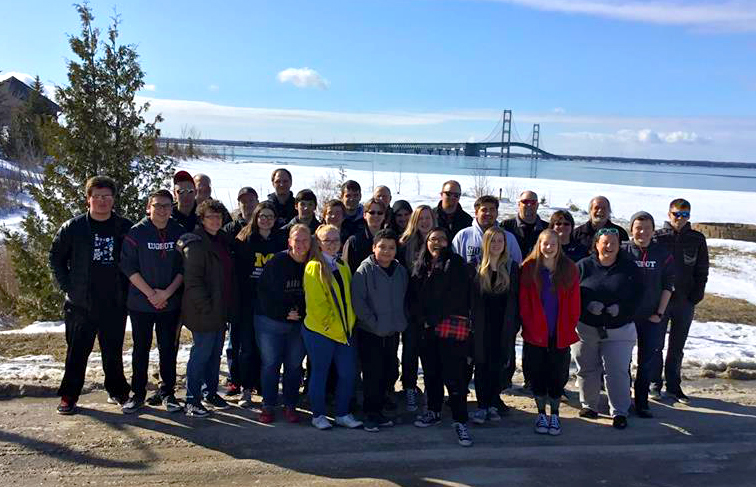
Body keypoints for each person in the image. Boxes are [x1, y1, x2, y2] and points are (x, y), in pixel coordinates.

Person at [50, 176, 133, 415]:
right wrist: (67, 286)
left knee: (113, 351)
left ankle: (117, 390)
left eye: (107, 196)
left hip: (114, 302)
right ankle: (69, 395)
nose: (102, 201)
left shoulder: (124, 227)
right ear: (88, 199)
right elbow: (55, 258)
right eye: (97, 196)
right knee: (76, 352)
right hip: (80, 304)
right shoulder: (73, 227)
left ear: (113, 199)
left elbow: (133, 261)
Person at [119, 189, 185, 414]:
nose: (162, 210)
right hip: (141, 303)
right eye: (158, 205)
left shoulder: (179, 231)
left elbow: (184, 268)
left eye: (167, 206)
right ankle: (137, 394)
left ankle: (168, 393)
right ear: (149, 207)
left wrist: (166, 294)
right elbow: (128, 267)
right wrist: (151, 294)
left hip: (169, 302)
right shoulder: (136, 233)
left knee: (168, 349)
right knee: (141, 349)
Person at [409, 228, 474, 447]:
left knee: (453, 376)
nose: (437, 243)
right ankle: (434, 410)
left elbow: (456, 297)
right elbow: (414, 296)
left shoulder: (455, 265)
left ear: (448, 242)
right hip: (426, 330)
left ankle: (459, 419)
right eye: (432, 239)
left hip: (448, 329)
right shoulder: (420, 265)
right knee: (431, 374)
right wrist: (421, 319)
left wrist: (433, 319)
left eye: (442, 239)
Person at [573, 228, 642, 429]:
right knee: (587, 368)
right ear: (596, 244)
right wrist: (586, 305)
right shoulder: (583, 267)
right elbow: (570, 295)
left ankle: (620, 411)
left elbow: (639, 297)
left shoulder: (629, 269)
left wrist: (621, 309)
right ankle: (589, 406)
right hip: (586, 328)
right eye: (605, 242)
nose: (609, 246)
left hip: (619, 329)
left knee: (617, 371)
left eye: (614, 242)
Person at [177, 199, 237, 417]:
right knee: (201, 353)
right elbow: (193, 281)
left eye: (219, 217)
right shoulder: (195, 243)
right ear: (201, 219)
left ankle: (209, 392)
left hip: (220, 308)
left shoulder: (221, 240)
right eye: (210, 216)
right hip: (202, 309)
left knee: (214, 353)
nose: (215, 220)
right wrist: (206, 306)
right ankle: (192, 399)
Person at [519, 230, 581, 435]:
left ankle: (554, 414)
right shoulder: (528, 268)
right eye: (545, 243)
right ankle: (540, 413)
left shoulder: (569, 268)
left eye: (553, 243)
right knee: (537, 373)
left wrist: (569, 325)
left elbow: (574, 303)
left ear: (558, 245)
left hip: (559, 332)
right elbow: (523, 302)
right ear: (539, 244)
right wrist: (529, 325)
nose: (549, 247)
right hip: (535, 333)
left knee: (557, 374)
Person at [302, 224, 363, 430]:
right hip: (322, 332)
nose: (333, 244)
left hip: (345, 331)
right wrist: (335, 328)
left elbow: (348, 298)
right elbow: (318, 306)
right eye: (327, 240)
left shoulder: (342, 265)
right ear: (318, 244)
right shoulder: (314, 267)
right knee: (320, 373)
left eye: (336, 240)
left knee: (347, 373)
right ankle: (318, 415)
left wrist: (350, 324)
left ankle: (342, 413)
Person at [352, 229, 409, 432]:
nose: (386, 251)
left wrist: (400, 321)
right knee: (372, 373)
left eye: (391, 248)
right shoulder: (364, 271)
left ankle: (381, 408)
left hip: (392, 331)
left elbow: (404, 299)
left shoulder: (400, 271)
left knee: (389, 369)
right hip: (371, 332)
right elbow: (358, 303)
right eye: (382, 247)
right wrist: (374, 324)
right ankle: (370, 413)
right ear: (373, 248)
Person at [653, 198, 709, 403]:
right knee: (655, 344)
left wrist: (697, 294)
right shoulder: (658, 237)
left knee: (677, 346)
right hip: (662, 300)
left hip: (685, 300)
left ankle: (674, 386)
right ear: (669, 215)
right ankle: (654, 384)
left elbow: (702, 269)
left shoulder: (696, 239)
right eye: (677, 214)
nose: (680, 218)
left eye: (685, 215)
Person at [231, 202, 287, 407]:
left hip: (272, 303)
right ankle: (246, 388)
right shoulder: (244, 239)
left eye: (270, 216)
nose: (266, 220)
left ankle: (265, 388)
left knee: (269, 349)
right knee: (247, 347)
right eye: (262, 216)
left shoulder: (281, 240)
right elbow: (236, 273)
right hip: (248, 302)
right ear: (255, 217)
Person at [254, 224, 310, 423]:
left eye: (305, 240)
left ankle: (290, 404)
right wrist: (285, 313)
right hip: (270, 322)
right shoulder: (277, 262)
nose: (301, 245)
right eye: (297, 240)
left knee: (294, 365)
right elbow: (264, 295)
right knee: (271, 364)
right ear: (289, 242)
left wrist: (300, 313)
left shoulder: (313, 263)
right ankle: (268, 405)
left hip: (299, 323)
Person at [622, 212, 675, 417]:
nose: (642, 232)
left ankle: (642, 401)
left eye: (646, 228)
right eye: (638, 227)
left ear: (653, 230)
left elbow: (668, 286)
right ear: (631, 229)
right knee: (622, 361)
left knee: (646, 361)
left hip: (652, 317)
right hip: (626, 317)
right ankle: (622, 398)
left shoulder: (662, 253)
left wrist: (660, 313)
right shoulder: (624, 250)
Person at [470, 227, 520, 424]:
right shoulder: (475, 266)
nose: (497, 245)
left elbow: (516, 299)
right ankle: (482, 405)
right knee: (481, 365)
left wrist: (515, 324)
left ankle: (492, 403)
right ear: (486, 244)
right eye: (493, 241)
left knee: (498, 364)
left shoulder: (511, 267)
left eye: (500, 241)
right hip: (481, 326)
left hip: (503, 326)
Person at [397, 204, 436, 412]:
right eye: (420, 218)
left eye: (428, 218)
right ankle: (410, 389)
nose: (424, 222)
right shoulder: (404, 244)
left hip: (432, 309)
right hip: (410, 307)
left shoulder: (440, 242)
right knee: (410, 351)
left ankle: (431, 390)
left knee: (431, 352)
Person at [222, 186, 260, 396]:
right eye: (243, 201)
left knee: (254, 342)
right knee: (234, 341)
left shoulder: (262, 227)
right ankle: (234, 379)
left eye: (251, 201)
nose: (247, 205)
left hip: (258, 294)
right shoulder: (230, 228)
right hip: (236, 293)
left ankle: (254, 380)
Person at [451, 195, 522, 266]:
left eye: (492, 210)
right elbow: (454, 264)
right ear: (476, 213)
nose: (488, 213)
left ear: (497, 213)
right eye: (484, 210)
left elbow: (516, 265)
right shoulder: (463, 236)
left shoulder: (509, 238)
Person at [342, 197, 386, 274]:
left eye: (380, 213)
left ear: (384, 216)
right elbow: (346, 270)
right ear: (364, 215)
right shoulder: (353, 241)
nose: (376, 215)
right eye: (372, 212)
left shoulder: (391, 240)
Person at [502, 190, 547, 257]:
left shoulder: (547, 228)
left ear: (537, 205)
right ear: (519, 204)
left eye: (533, 202)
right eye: (525, 202)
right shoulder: (505, 226)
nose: (529, 205)